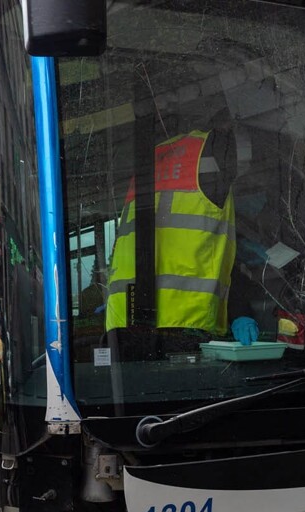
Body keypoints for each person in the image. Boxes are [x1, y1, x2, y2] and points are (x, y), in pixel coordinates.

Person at [105, 119, 259, 345]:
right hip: (186, 323)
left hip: (122, 321)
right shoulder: (214, 148)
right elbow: (205, 259)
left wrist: (238, 309)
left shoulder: (146, 159)